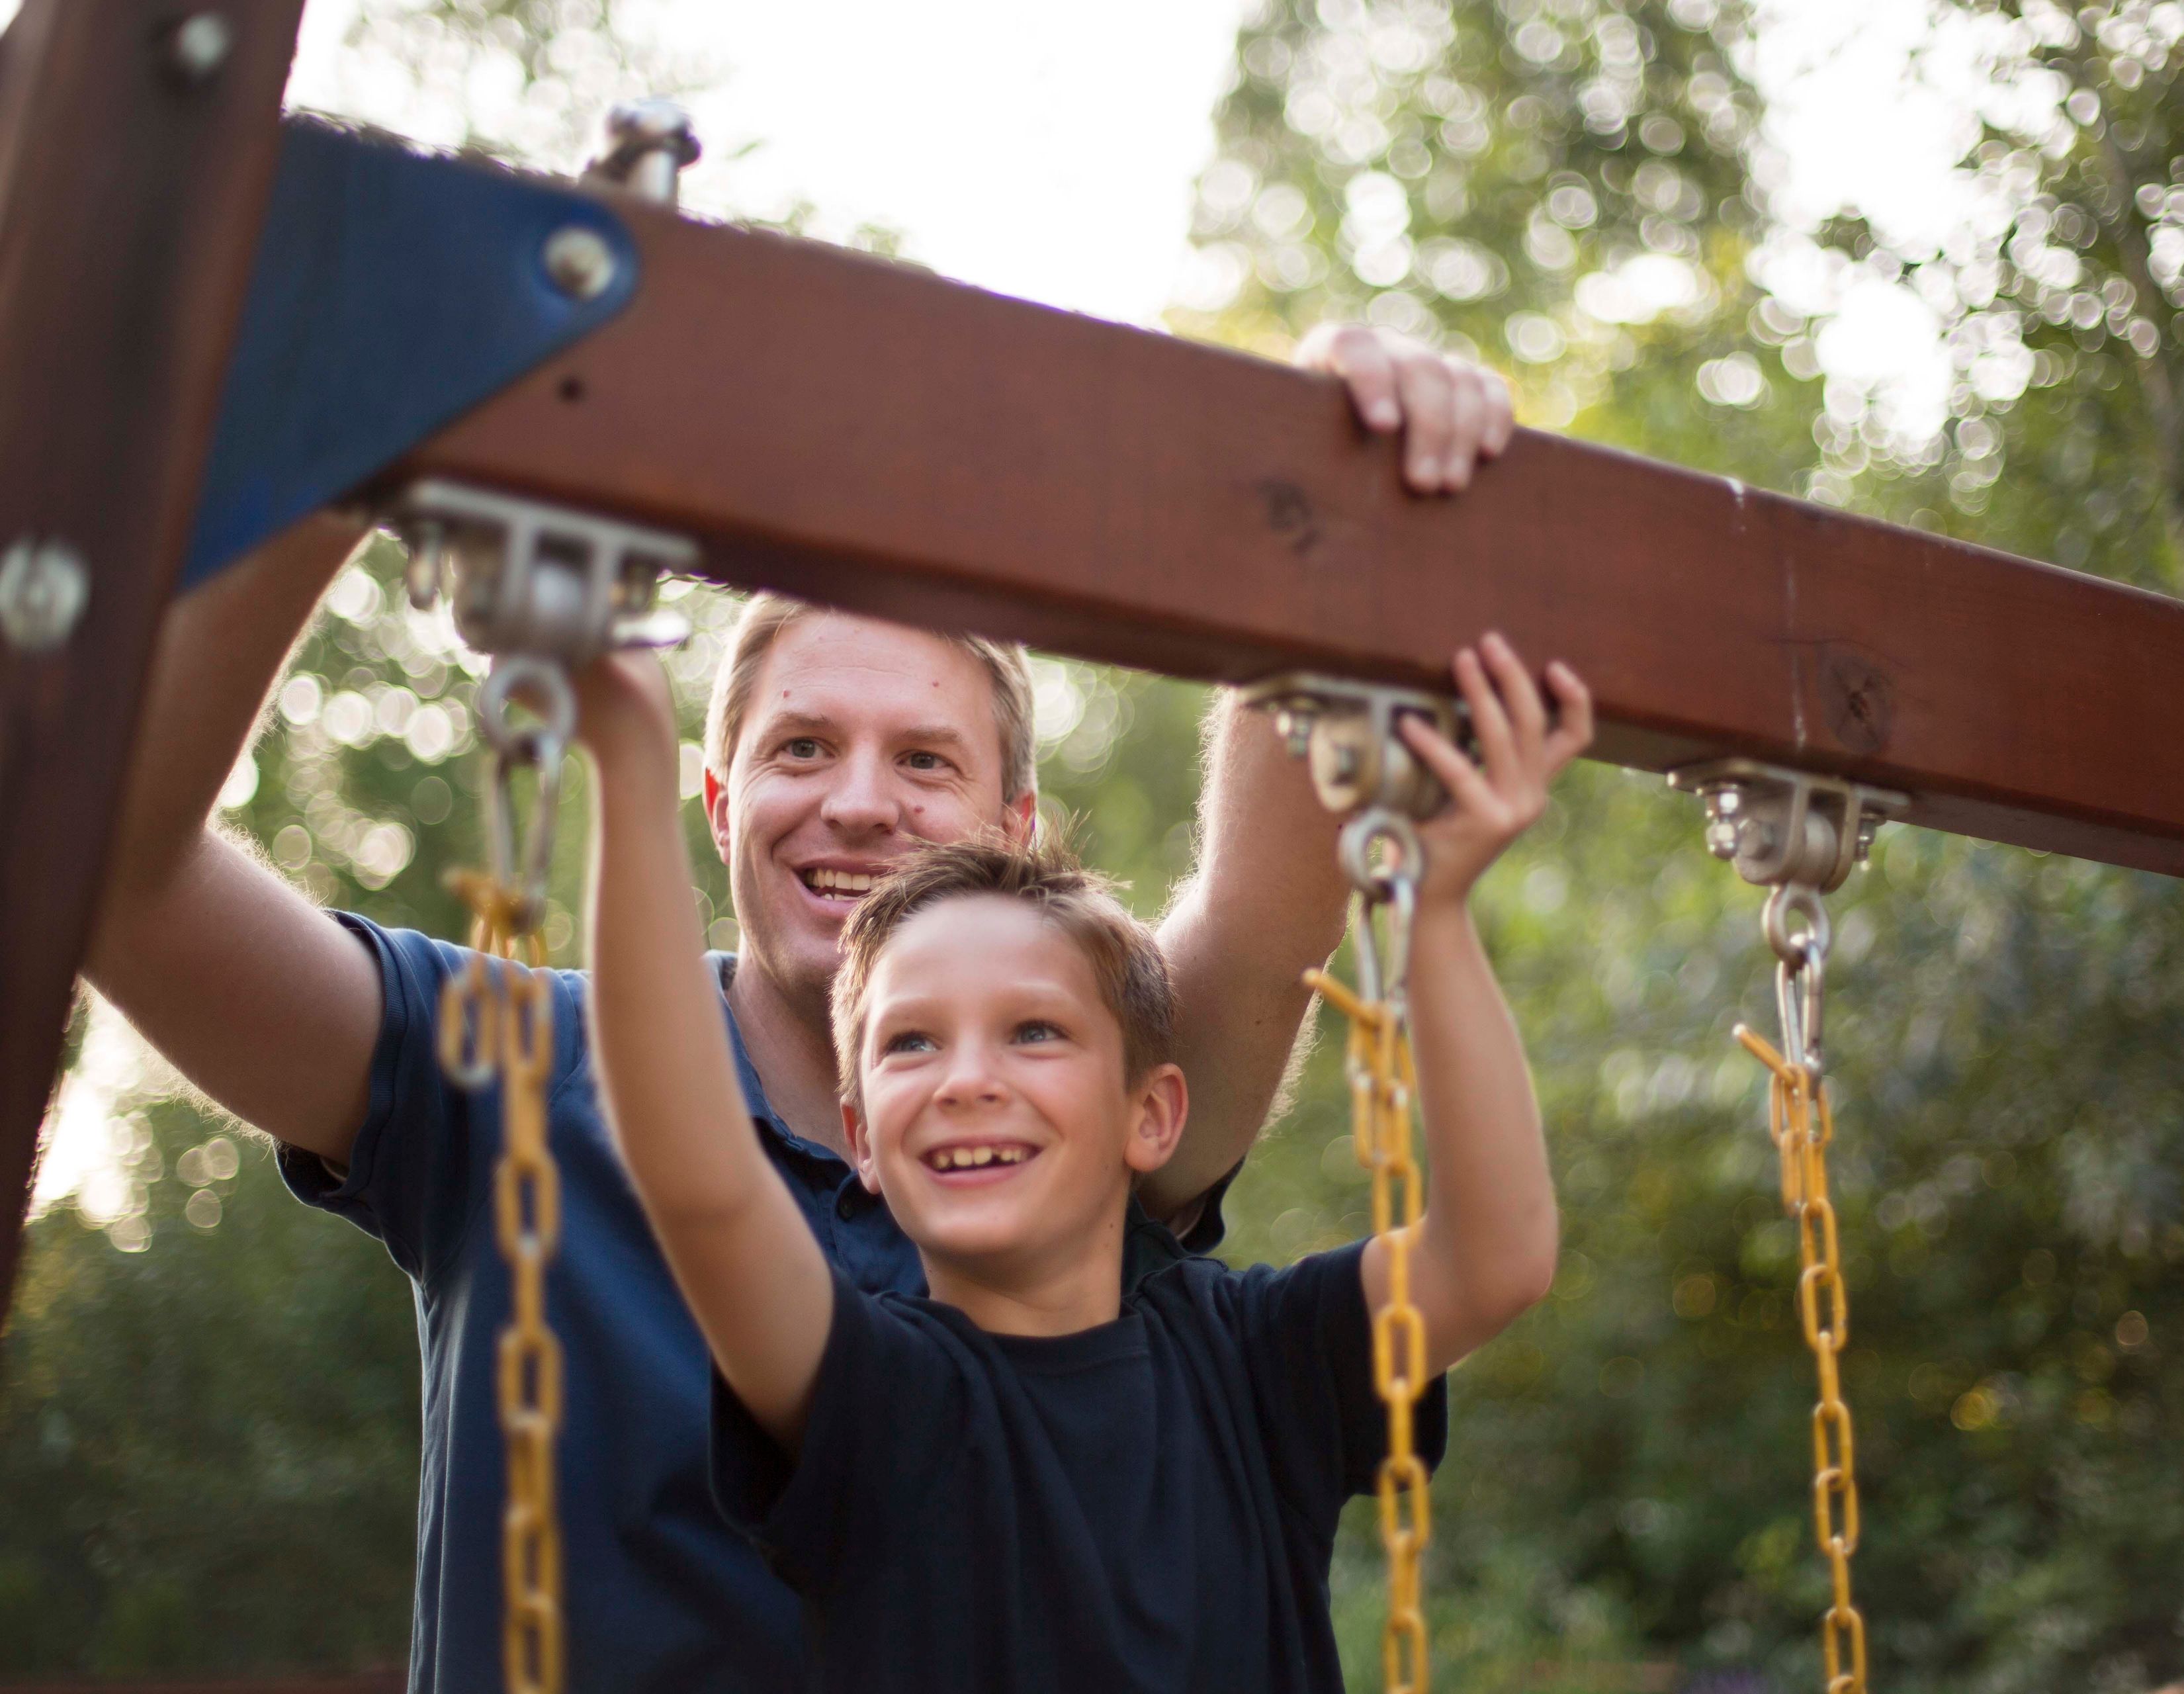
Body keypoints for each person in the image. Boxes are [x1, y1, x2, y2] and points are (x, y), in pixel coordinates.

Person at [77, 326, 1514, 1693]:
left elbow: (1266, 924)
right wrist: (347, 439)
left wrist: (1331, 461)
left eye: (925, 759)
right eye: (804, 746)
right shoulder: (511, 1067)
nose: (858, 798)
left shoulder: (1067, 1118)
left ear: (1017, 828)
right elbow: (123, 882)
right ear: (717, 804)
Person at [574, 624, 1593, 1693]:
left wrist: (1433, 905)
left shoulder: (1259, 1364)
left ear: (1149, 1117)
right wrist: (631, 760)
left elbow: (1499, 1256)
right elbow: (700, 1185)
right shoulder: (875, 1401)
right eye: (914, 1041)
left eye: (1035, 1033)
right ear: (864, 1137)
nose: (968, 1078)